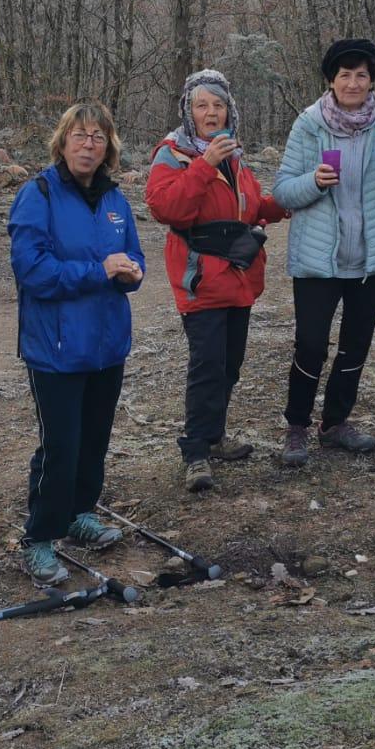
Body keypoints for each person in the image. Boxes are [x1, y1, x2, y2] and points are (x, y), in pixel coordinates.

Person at [8, 102, 145, 584]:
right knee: (60, 445)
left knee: (94, 438)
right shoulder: (38, 194)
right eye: (80, 135)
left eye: (99, 137)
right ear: (63, 141)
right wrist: (99, 271)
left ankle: (80, 513)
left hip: (108, 343)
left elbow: (133, 259)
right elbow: (32, 270)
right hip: (56, 347)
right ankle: (39, 537)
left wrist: (131, 273)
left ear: (109, 148)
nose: (89, 144)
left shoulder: (115, 201)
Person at [271, 38, 375, 465]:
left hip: (370, 261)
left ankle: (335, 423)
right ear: (331, 80)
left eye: (362, 75)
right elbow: (282, 192)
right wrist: (313, 181)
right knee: (311, 345)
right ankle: (297, 426)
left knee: (356, 345)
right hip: (317, 261)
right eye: (345, 74)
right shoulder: (309, 125)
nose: (353, 83)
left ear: (372, 81)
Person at [146, 68, 287, 493]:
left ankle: (215, 435)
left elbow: (249, 204)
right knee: (206, 367)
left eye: (219, 105)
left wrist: (286, 203)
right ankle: (195, 452)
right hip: (200, 279)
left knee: (229, 365)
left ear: (230, 111)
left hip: (239, 277)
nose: (211, 113)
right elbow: (167, 208)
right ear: (188, 110)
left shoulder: (234, 154)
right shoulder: (174, 153)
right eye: (202, 105)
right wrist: (204, 165)